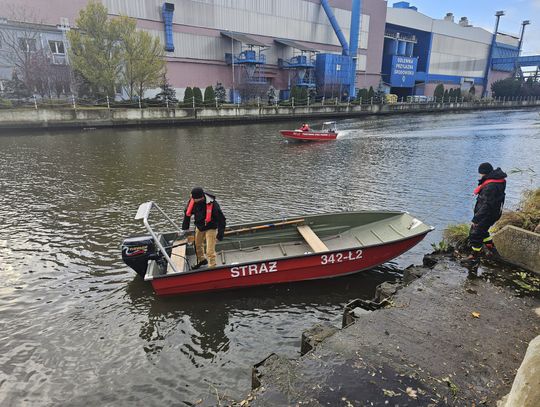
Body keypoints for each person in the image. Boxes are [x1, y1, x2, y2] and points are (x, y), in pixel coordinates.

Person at [463, 162, 507, 267]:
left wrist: (476, 219)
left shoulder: (490, 187)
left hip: (487, 214)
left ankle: (474, 257)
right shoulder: (498, 181)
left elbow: (487, 205)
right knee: (483, 232)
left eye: (481, 174)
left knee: (475, 234)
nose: (480, 176)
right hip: (493, 213)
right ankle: (492, 250)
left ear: (484, 173)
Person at [182, 187, 226, 269]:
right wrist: (185, 228)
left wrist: (220, 235)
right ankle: (201, 260)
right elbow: (187, 213)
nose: (192, 199)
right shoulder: (193, 200)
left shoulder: (214, 205)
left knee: (210, 250)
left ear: (201, 198)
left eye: (194, 198)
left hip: (211, 227)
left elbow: (222, 220)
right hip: (199, 226)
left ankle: (212, 267)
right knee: (197, 245)